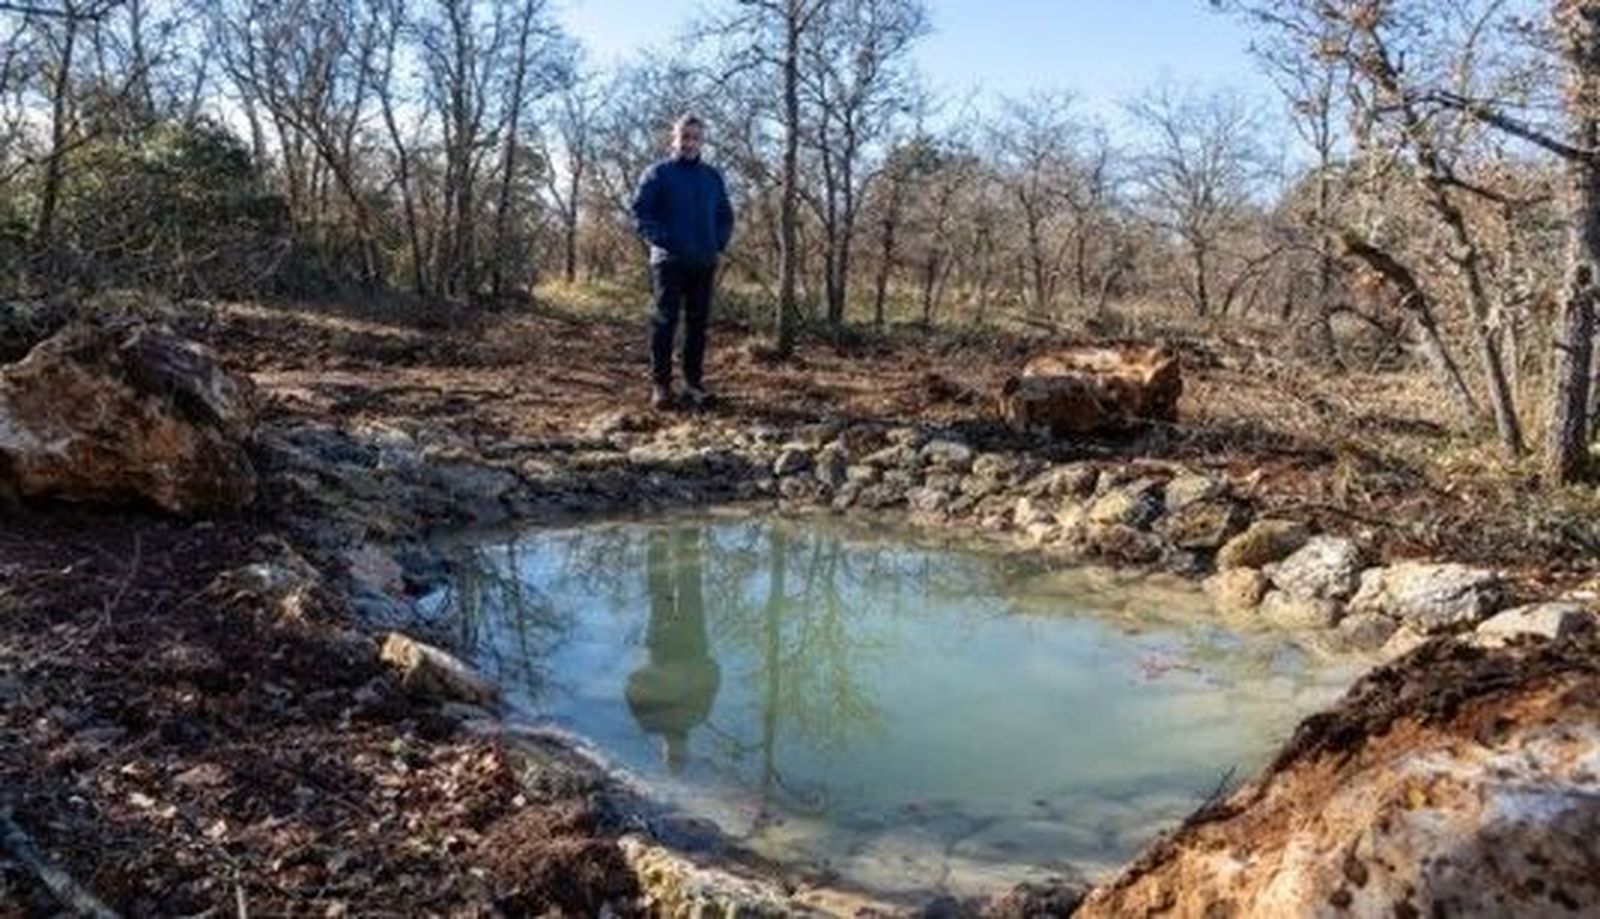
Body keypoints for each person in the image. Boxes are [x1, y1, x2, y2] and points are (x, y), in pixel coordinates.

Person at [630, 114, 735, 410]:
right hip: (668, 261)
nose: (690, 142)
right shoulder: (658, 173)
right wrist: (665, 241)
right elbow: (640, 213)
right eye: (685, 136)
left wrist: (718, 242)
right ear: (674, 138)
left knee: (698, 325)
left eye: (695, 137)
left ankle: (693, 384)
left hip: (704, 261)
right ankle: (661, 386)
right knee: (665, 322)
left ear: (702, 140)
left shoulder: (712, 176)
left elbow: (725, 215)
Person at [624, 528, 721, 774]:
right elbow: (713, 671)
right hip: (689, 642)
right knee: (683, 587)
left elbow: (632, 683)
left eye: (674, 755)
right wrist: (687, 672)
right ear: (688, 751)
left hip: (667, 646)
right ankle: (679, 541)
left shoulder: (655, 722)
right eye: (680, 755)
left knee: (664, 591)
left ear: (665, 752)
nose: (678, 750)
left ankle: (661, 541)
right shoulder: (694, 716)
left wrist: (661, 673)